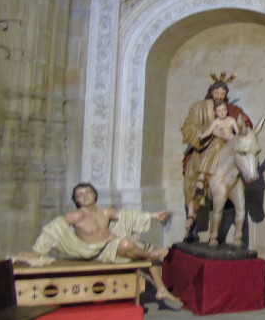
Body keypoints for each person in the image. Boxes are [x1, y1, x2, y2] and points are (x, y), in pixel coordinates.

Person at [31, 183, 180, 304]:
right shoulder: (77, 215)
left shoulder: (105, 212)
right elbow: (53, 229)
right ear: (76, 200)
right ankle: (153, 255)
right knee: (130, 245)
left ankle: (161, 289)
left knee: (142, 248)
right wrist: (38, 251)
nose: (84, 196)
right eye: (80, 195)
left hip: (112, 245)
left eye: (87, 192)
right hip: (97, 252)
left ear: (95, 194)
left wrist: (153, 216)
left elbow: (128, 216)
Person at [181, 74, 252, 239]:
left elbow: (244, 125)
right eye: (217, 93)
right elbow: (189, 127)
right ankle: (191, 225)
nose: (219, 96)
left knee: (228, 153)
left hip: (225, 150)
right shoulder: (200, 108)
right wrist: (205, 134)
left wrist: (240, 131)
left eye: (222, 93)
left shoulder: (231, 111)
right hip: (202, 147)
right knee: (190, 167)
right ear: (211, 92)